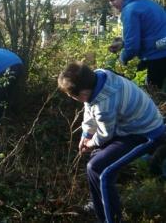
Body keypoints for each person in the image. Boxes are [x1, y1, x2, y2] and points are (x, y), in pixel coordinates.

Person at [58, 61, 165, 223]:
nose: (71, 98)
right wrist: (86, 134)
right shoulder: (99, 77)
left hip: (146, 132)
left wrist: (91, 142)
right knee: (96, 158)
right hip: (126, 126)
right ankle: (99, 201)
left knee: (100, 169)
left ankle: (110, 218)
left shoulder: (104, 104)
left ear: (83, 93)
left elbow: (105, 134)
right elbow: (89, 108)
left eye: (72, 96)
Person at [105, 0, 166, 89]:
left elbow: (132, 48)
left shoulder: (130, 10)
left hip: (156, 56)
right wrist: (123, 43)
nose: (112, 4)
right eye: (109, 1)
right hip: (161, 49)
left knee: (148, 95)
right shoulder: (144, 2)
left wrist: (122, 58)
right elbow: (146, 33)